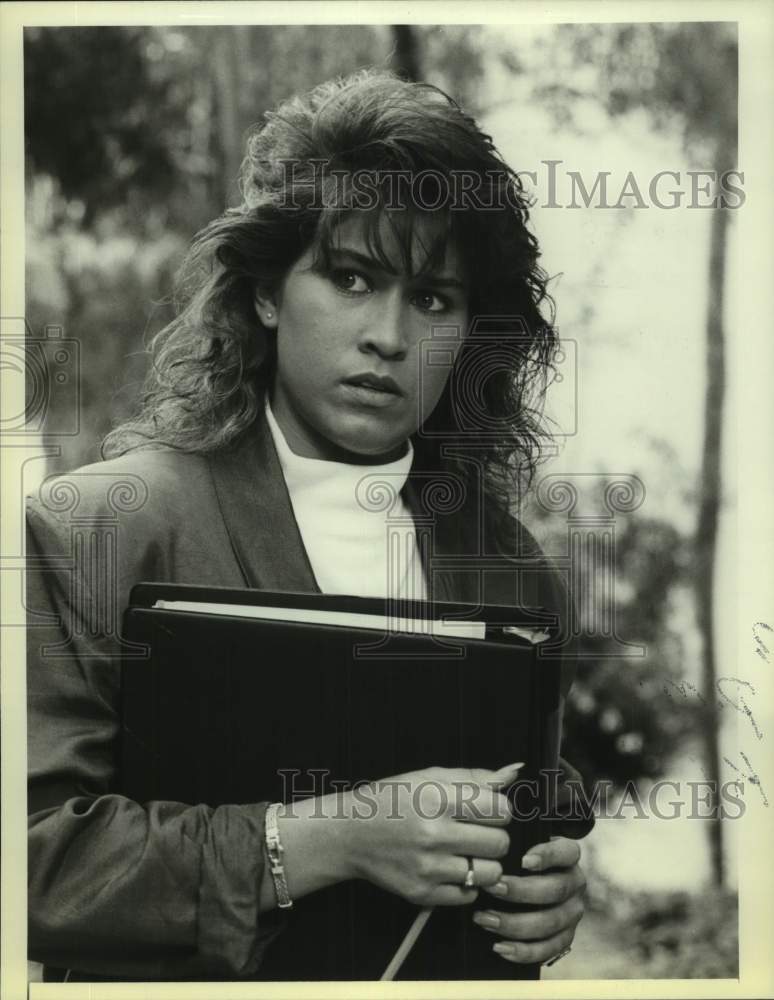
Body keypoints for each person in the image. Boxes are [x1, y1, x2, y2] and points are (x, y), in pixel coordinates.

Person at [26, 70, 590, 982]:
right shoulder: (94, 528)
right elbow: (31, 864)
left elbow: (519, 831)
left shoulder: (512, 573)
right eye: (352, 277)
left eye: (434, 300)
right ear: (265, 293)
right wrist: (321, 840)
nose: (388, 336)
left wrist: (549, 891)